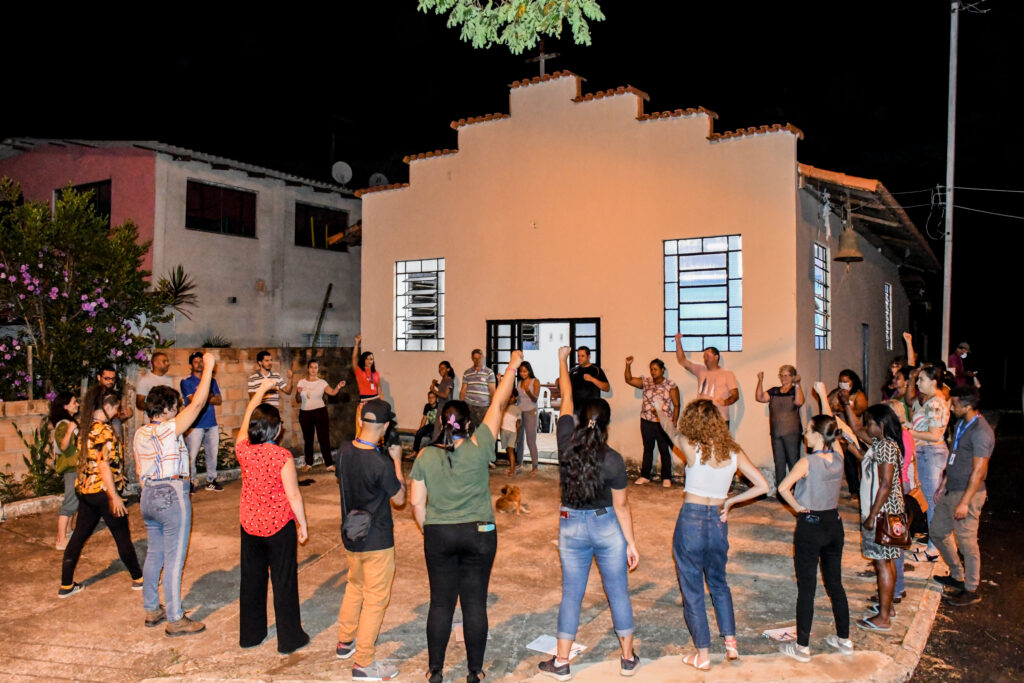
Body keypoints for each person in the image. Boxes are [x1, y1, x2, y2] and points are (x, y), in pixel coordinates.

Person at [410, 352, 519, 683]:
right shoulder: (481, 444)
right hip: (479, 533)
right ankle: (475, 671)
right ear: (468, 424)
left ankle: (435, 671)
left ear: (442, 423)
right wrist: (513, 366)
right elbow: (498, 403)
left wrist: (429, 529)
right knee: (474, 604)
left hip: (439, 534)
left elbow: (416, 503)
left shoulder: (425, 455)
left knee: (440, 604)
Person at [537, 347, 641, 681]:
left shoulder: (565, 442)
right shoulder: (613, 460)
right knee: (617, 592)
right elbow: (621, 507)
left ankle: (562, 663)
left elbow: (566, 398)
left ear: (580, 419)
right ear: (607, 426)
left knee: (571, 595)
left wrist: (561, 361)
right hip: (606, 526)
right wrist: (631, 543)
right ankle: (627, 659)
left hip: (570, 526)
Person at [660, 399, 769, 670]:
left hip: (691, 520)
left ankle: (703, 655)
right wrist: (730, 502)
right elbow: (763, 485)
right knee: (719, 583)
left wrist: (661, 410)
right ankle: (731, 643)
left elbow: (668, 428)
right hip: (718, 521)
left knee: (693, 589)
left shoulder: (689, 445)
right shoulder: (733, 451)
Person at [133, 353, 217, 636]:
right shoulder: (169, 429)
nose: (178, 411)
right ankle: (175, 618)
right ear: (168, 409)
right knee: (174, 559)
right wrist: (209, 367)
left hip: (148, 495)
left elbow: (139, 470)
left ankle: (151, 609)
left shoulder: (140, 433)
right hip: (171, 493)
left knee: (154, 554)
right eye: (175, 407)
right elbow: (198, 404)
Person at [236, 378, 310, 653]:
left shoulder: (243, 449)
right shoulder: (282, 456)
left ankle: (251, 635)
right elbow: (294, 496)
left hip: (250, 525)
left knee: (252, 580)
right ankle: (289, 639)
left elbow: (247, 416)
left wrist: (262, 389)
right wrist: (302, 524)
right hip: (279, 526)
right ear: (277, 429)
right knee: (283, 580)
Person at [334, 399, 406, 681]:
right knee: (375, 600)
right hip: (377, 540)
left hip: (352, 534)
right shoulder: (381, 463)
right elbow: (399, 499)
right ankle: (364, 662)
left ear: (361, 421)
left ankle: (345, 641)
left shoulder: (343, 451)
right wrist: (398, 461)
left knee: (355, 586)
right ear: (386, 427)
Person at [775, 415, 852, 662]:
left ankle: (802, 647)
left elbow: (782, 488)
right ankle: (844, 639)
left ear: (818, 435)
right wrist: (823, 400)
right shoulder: (839, 457)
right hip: (834, 524)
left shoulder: (807, 462)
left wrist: (798, 508)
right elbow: (836, 429)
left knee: (807, 587)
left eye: (808, 430)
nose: (804, 434)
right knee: (835, 583)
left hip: (810, 526)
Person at [58, 385, 143, 597]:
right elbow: (103, 464)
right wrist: (114, 496)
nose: (117, 411)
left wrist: (118, 475)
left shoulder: (85, 428)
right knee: (122, 536)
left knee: (78, 536)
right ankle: (139, 578)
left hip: (86, 491)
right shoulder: (104, 431)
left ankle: (66, 585)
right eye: (116, 407)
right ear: (107, 406)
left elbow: (92, 462)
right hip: (104, 493)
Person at [930, 385, 993, 606]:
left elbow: (979, 471)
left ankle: (971, 589)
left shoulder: (981, 432)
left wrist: (965, 502)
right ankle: (957, 575)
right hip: (951, 489)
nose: (951, 407)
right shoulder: (960, 424)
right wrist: (943, 484)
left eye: (955, 404)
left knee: (967, 543)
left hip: (968, 494)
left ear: (967, 406)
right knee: (937, 531)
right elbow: (954, 456)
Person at [852, 404, 907, 632]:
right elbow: (858, 432)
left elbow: (885, 484)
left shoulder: (885, 446)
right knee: (888, 560)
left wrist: (872, 516)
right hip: (891, 511)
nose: (866, 427)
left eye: (870, 423)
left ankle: (883, 618)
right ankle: (887, 608)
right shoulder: (886, 444)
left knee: (882, 562)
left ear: (881, 424)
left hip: (883, 513)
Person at [906, 365, 949, 561]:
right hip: (927, 453)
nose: (917, 383)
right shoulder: (932, 401)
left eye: (921, 379)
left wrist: (909, 432)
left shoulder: (935, 403)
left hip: (931, 454)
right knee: (930, 502)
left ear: (933, 381)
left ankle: (933, 550)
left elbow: (934, 435)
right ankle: (933, 543)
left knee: (932, 503)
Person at [624, 356, 680, 487]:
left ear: (662, 370)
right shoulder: (646, 382)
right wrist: (628, 365)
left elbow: (677, 405)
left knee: (664, 449)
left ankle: (666, 477)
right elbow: (629, 379)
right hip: (646, 421)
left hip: (663, 422)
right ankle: (645, 476)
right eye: (651, 369)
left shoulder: (670, 385)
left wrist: (674, 422)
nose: (653, 372)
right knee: (648, 449)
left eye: (655, 369)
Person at [755, 365, 805, 497]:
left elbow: (799, 402)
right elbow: (760, 397)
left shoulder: (795, 390)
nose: (783, 378)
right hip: (776, 434)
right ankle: (781, 491)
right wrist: (760, 380)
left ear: (792, 377)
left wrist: (798, 384)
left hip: (792, 434)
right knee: (779, 463)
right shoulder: (774, 391)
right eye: (781, 375)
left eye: (786, 375)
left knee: (794, 462)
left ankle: (797, 491)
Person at [673, 334, 738, 426]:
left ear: (716, 357)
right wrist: (678, 341)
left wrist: (726, 402)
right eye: (704, 356)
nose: (705, 358)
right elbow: (682, 361)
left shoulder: (727, 374)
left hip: (720, 420)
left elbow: (735, 395)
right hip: (701, 419)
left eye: (707, 355)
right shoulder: (701, 370)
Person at [181, 351, 224, 491]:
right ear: (190, 365)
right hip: (195, 425)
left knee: (212, 454)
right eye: (196, 362)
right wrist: (208, 396)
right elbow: (194, 401)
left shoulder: (212, 381)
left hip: (211, 423)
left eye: (201, 361)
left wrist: (203, 398)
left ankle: (211, 480)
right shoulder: (186, 382)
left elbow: (218, 399)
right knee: (191, 455)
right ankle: (191, 482)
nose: (199, 364)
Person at [295, 359, 346, 471]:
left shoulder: (322, 382)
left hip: (320, 412)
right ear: (308, 369)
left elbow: (332, 392)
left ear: (318, 369)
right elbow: (297, 399)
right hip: (305, 413)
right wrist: (298, 392)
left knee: (324, 438)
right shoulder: (301, 382)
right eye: (311, 367)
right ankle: (308, 463)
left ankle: (329, 464)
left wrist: (338, 386)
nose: (314, 370)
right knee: (308, 440)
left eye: (316, 367)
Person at [830, 369, 868, 499]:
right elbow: (827, 402)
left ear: (853, 382)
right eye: (840, 381)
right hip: (839, 432)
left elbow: (860, 410)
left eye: (846, 381)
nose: (843, 384)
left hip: (853, 432)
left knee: (853, 460)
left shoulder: (858, 395)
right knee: (845, 461)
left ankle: (856, 490)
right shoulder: (837, 393)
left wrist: (843, 408)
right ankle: (850, 489)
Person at [51, 392, 80, 551]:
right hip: (71, 467)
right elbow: (63, 446)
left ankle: (68, 532)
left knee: (74, 501)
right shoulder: (64, 424)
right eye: (74, 402)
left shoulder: (68, 422)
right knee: (69, 502)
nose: (77, 405)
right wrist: (70, 430)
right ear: (65, 406)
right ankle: (60, 539)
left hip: (74, 466)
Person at [514, 360, 541, 476]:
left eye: (525, 371)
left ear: (529, 371)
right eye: (521, 371)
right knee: (519, 439)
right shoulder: (519, 382)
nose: (522, 373)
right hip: (519, 412)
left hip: (531, 411)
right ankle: (519, 463)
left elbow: (535, 399)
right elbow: (517, 398)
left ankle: (535, 466)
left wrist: (528, 391)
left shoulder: (535, 381)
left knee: (530, 440)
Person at [460, 348, 496, 430]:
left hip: (484, 407)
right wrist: (461, 406)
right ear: (472, 359)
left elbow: (492, 391)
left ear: (482, 357)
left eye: (479, 358)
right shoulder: (467, 373)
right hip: (469, 405)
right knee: (470, 429)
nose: (477, 360)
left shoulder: (489, 372)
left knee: (483, 430)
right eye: (475, 358)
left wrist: (492, 406)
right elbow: (463, 390)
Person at [96, 364, 133, 441]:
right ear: (99, 377)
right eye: (107, 378)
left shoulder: (116, 395)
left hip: (112, 433)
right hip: (97, 433)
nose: (110, 381)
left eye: (113, 379)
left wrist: (126, 415)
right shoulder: (93, 395)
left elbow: (116, 418)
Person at [135, 351, 175, 417]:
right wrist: (155, 409)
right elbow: (139, 403)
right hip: (151, 418)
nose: (168, 364)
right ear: (156, 363)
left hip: (167, 418)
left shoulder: (169, 379)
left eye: (167, 361)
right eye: (164, 361)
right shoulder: (145, 380)